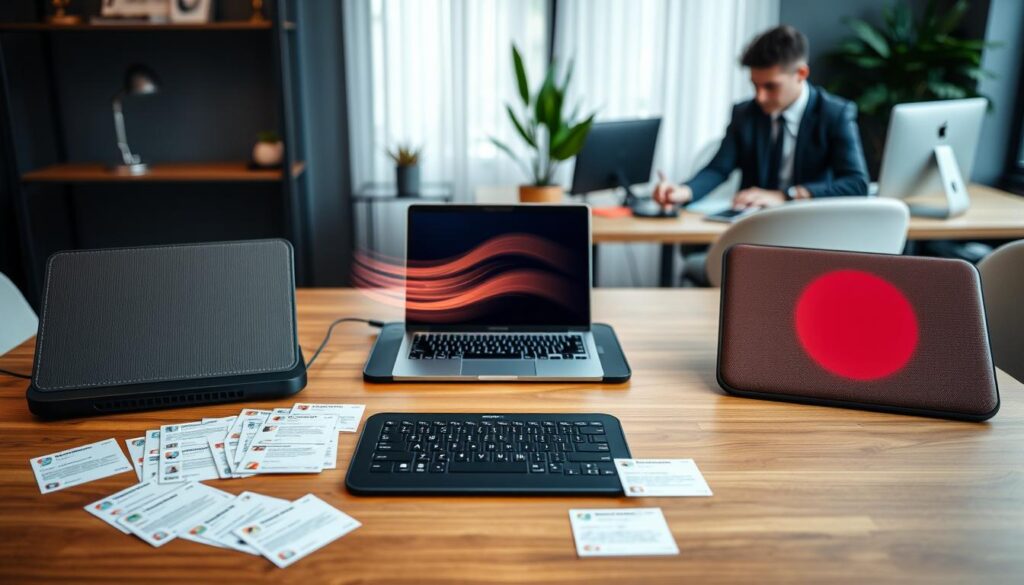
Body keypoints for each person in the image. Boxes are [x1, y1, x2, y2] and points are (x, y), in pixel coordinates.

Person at [653, 25, 869, 212]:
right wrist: (683, 191)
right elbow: (718, 169)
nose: (760, 97)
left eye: (771, 86)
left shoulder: (834, 114)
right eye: (755, 85)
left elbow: (856, 183)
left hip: (813, 226)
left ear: (801, 74)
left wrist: (786, 195)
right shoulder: (745, 114)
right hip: (756, 226)